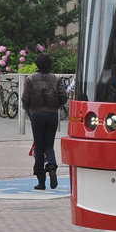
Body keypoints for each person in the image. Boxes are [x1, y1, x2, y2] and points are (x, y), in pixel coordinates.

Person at [22, 53, 67, 190]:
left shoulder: (30, 79)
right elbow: (63, 97)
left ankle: (41, 181)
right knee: (49, 145)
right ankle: (52, 167)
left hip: (37, 114)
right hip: (52, 114)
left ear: (36, 64)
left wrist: (30, 111)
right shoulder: (56, 79)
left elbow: (25, 99)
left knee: (39, 147)